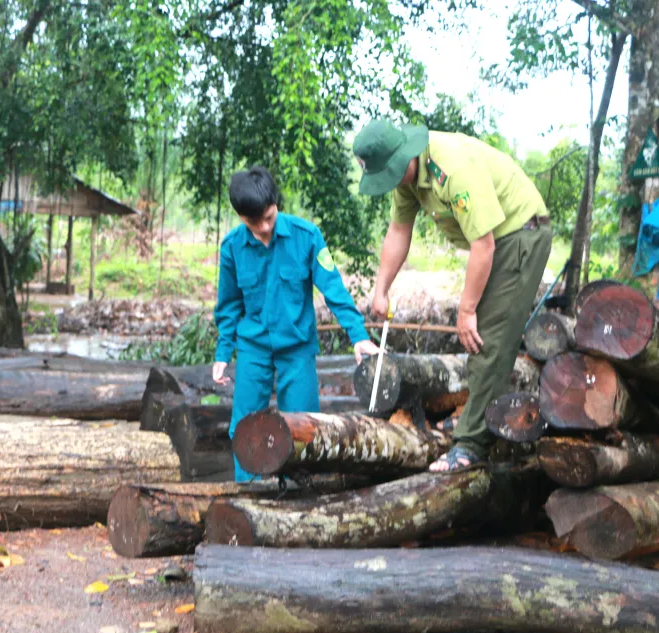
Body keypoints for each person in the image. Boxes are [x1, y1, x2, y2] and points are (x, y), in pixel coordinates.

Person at [352, 118, 552, 472]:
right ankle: (475, 417)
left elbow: (484, 245)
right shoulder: (407, 177)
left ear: (405, 155)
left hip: (520, 235)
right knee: (478, 335)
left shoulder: (453, 167)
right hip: (494, 242)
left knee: (485, 337)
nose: (392, 182)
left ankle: (472, 445)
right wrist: (380, 289)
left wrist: (467, 308)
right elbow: (399, 230)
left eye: (392, 173)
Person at [212, 166, 381, 482]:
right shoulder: (232, 247)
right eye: (254, 222)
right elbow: (229, 305)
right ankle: (248, 494)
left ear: (276, 205)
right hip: (253, 349)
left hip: (297, 349)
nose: (263, 228)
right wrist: (223, 352)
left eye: (269, 218)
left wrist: (357, 335)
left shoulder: (307, 237)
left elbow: (333, 289)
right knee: (245, 426)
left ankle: (297, 494)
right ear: (240, 217)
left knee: (303, 426)